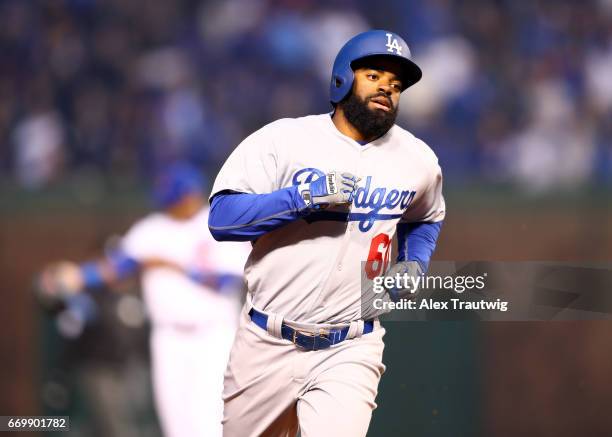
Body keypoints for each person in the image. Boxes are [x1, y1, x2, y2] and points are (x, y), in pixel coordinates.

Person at [208, 30, 445, 436]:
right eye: (374, 75)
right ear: (341, 79)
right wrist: (299, 198)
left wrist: (414, 261)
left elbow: (426, 217)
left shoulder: (417, 159)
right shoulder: (284, 139)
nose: (387, 89)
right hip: (267, 340)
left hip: (351, 344)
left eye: (396, 85)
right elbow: (223, 219)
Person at [38, 163, 250, 437]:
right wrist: (78, 276)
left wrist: (172, 266)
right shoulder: (152, 229)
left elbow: (230, 282)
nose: (171, 205)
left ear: (191, 194)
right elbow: (118, 266)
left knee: (208, 420)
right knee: (175, 421)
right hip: (168, 337)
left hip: (213, 335)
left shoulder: (221, 223)